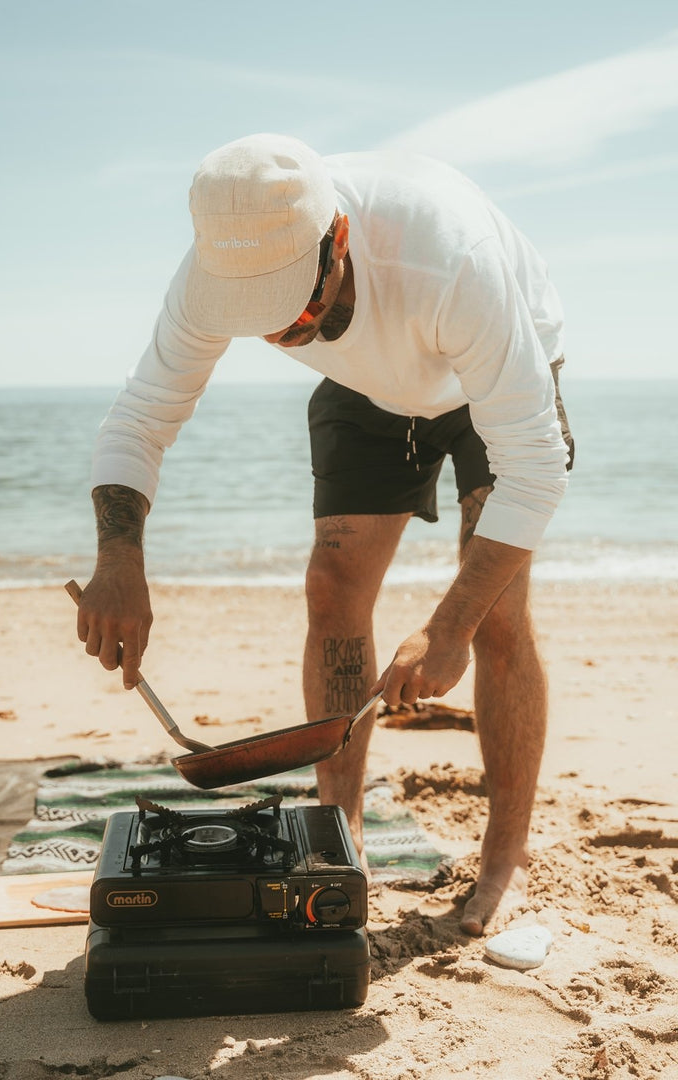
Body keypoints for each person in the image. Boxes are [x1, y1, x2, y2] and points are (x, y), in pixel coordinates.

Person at [77, 133, 574, 936]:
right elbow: (141, 416)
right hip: (369, 392)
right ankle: (344, 839)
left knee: (497, 617)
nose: (285, 337)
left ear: (337, 239)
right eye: (261, 324)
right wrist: (118, 560)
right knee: (331, 588)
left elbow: (537, 471)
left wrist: (446, 627)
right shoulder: (217, 265)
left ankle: (502, 859)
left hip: (491, 379)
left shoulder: (450, 259)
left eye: (298, 311)